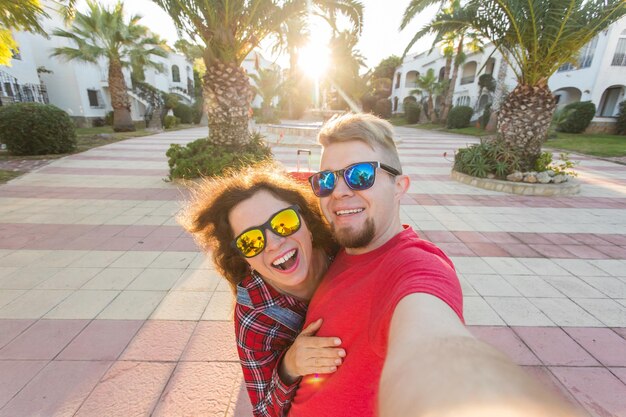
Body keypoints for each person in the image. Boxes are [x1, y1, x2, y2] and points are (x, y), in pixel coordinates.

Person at [288, 113, 582, 417]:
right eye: (325, 180)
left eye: (360, 175)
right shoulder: (339, 250)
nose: (339, 191)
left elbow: (434, 344)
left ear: (400, 186)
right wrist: (290, 364)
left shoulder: (414, 265)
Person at [178, 164, 344, 417]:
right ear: (243, 257)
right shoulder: (255, 317)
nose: (274, 243)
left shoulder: (343, 248)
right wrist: (290, 365)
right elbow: (264, 410)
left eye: (284, 222)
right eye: (251, 240)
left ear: (307, 222)